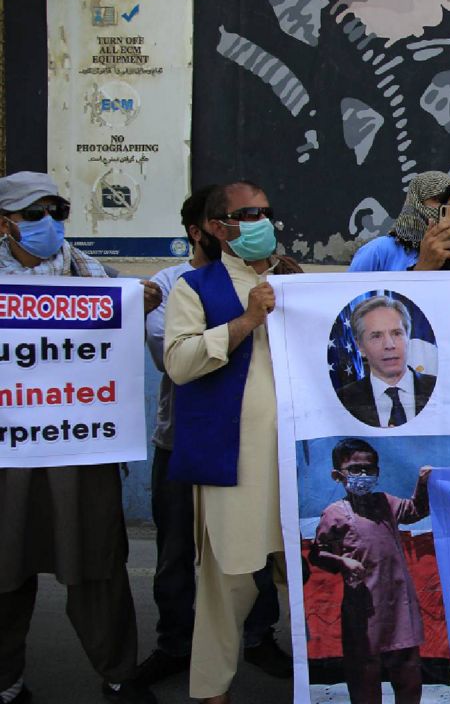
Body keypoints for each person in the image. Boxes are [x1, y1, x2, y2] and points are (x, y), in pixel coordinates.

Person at [0, 172, 157, 703]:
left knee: (97, 562)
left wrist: (145, 299)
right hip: (9, 452)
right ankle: (4, 681)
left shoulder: (91, 273)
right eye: (33, 214)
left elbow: (130, 320)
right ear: (6, 223)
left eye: (55, 211)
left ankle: (118, 673)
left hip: (80, 446)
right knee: (5, 565)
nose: (48, 224)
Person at [137, 187, 290, 687]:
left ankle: (326, 681)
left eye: (265, 213)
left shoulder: (293, 280)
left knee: (313, 578)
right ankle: (211, 688)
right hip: (234, 461)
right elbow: (180, 363)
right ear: (218, 227)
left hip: (297, 460)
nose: (259, 221)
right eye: (247, 214)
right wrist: (246, 320)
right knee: (228, 582)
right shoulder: (194, 287)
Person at [309, 439, 432, 704]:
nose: (363, 475)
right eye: (355, 469)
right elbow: (317, 554)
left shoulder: (385, 502)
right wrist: (343, 562)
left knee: (408, 670)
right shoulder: (335, 514)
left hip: (399, 601)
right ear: (337, 475)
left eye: (369, 469)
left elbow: (416, 510)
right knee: (364, 672)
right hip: (363, 606)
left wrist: (423, 484)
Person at [336, 296, 437, 427]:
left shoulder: (438, 389)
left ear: (408, 337)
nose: (389, 345)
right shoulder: (344, 399)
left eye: (396, 333)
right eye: (376, 336)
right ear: (360, 346)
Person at [349, 171, 450, 272]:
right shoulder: (379, 250)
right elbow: (352, 287)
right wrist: (423, 268)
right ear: (416, 202)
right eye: (438, 199)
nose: (446, 207)